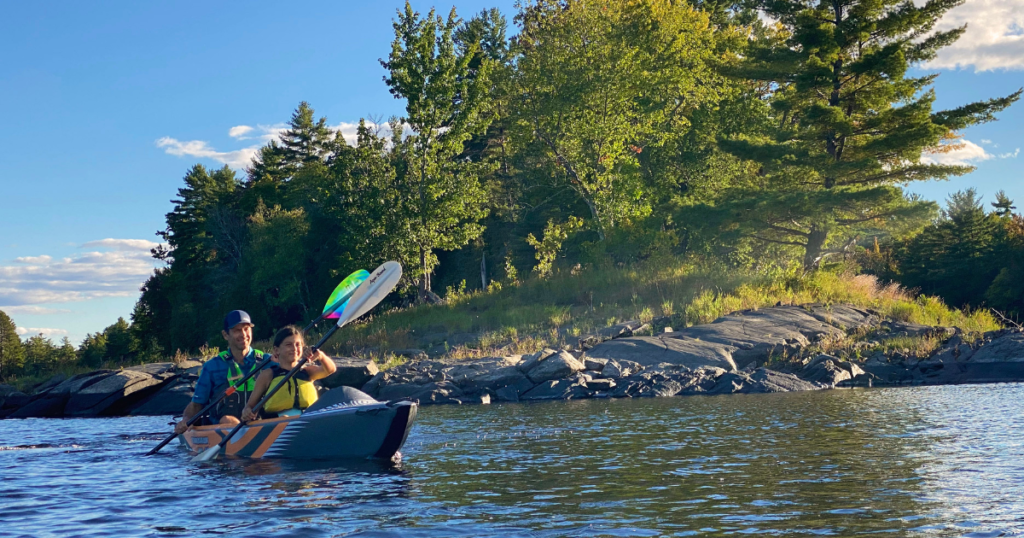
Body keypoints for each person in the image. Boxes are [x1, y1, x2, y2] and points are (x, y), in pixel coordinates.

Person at [174, 310, 271, 434]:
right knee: (227, 419)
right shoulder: (212, 367)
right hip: (223, 429)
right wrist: (186, 420)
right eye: (237, 330)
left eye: (246, 329)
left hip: (264, 425)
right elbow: (196, 405)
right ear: (226, 335)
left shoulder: (268, 360)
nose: (243, 334)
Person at [241, 326, 336, 421]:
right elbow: (249, 406)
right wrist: (247, 412)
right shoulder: (268, 375)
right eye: (288, 345)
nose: (294, 348)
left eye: (298, 345)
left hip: (307, 422)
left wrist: (321, 356)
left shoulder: (307, 372)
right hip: (275, 425)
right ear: (276, 350)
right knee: (284, 419)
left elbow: (330, 369)